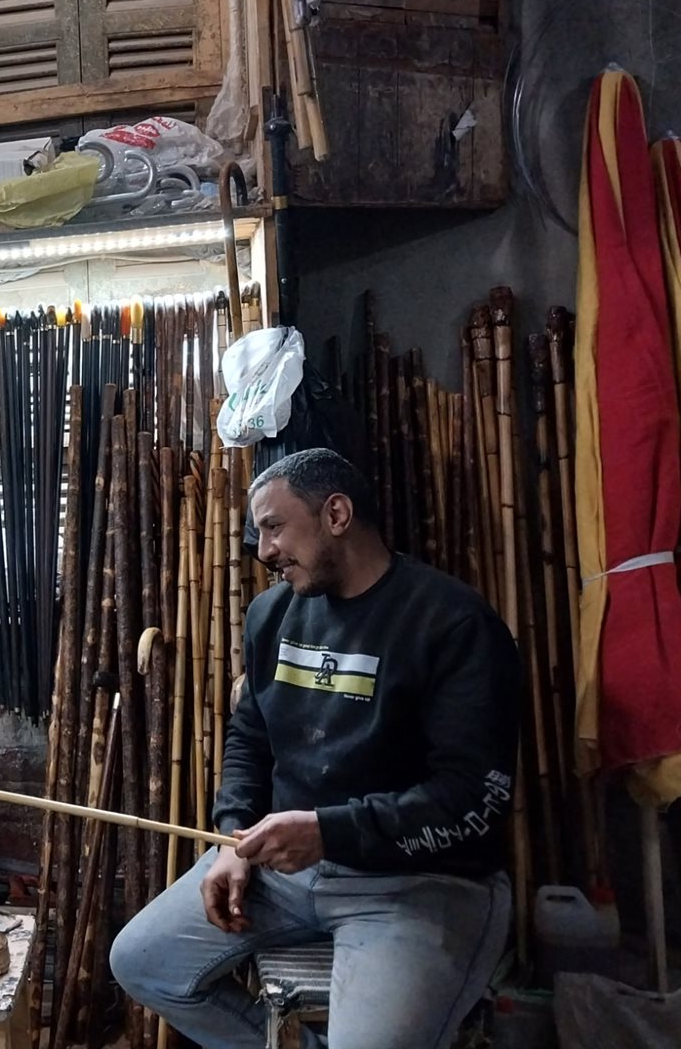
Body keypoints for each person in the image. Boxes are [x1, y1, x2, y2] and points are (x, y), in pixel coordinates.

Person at [111, 448, 519, 1049]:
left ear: (336, 514)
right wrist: (232, 841)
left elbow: (471, 800)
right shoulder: (271, 615)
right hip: (284, 875)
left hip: (415, 885)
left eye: (275, 526)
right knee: (140, 962)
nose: (264, 550)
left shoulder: (453, 624)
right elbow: (250, 737)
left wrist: (328, 831)